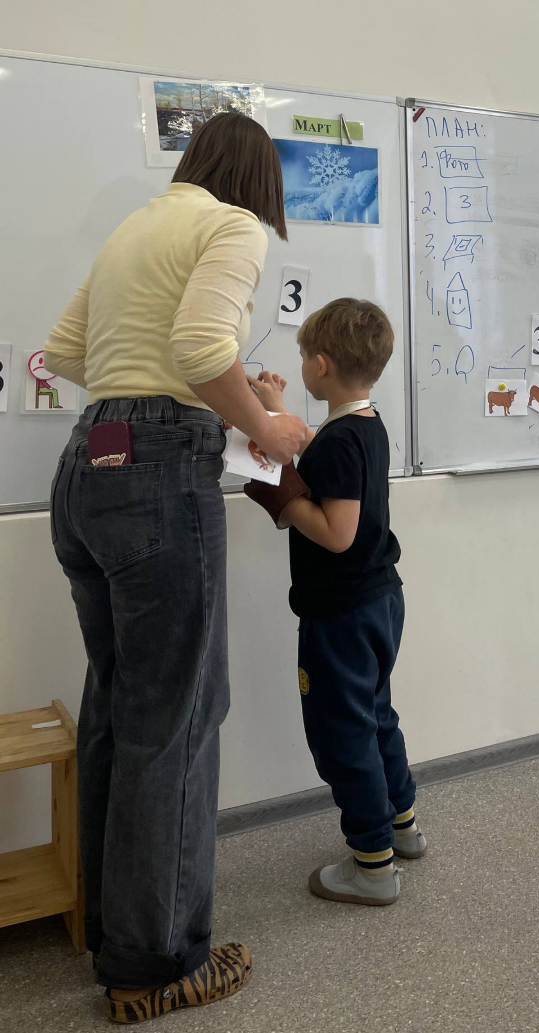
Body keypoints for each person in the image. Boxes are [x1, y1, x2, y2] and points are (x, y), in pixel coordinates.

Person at [44, 113, 309, 1022]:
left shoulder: (136, 227)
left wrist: (178, 400)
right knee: (180, 713)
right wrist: (265, 424)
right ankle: (154, 963)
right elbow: (200, 350)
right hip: (158, 477)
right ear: (258, 180)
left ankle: (111, 929)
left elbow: (67, 352)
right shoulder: (231, 225)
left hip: (87, 463)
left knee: (121, 705)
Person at [245, 299, 422, 907]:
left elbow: (336, 533)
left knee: (343, 733)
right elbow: (324, 464)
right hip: (377, 601)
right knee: (375, 714)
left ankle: (373, 866)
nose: (300, 368)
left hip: (341, 613)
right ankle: (402, 827)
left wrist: (280, 496)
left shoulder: (339, 440)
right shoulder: (364, 425)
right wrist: (275, 411)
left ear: (319, 365)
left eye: (303, 360)